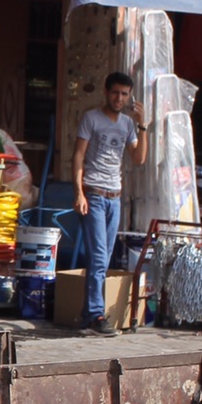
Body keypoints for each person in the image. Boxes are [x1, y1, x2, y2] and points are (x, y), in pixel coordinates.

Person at [74, 71, 146, 336]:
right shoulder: (91, 118)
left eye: (124, 94)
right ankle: (95, 314)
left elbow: (138, 158)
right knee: (99, 256)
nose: (119, 98)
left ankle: (86, 315)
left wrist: (143, 125)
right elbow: (78, 155)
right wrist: (78, 193)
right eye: (115, 92)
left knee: (101, 258)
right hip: (93, 194)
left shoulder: (127, 124)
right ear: (106, 92)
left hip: (115, 198)